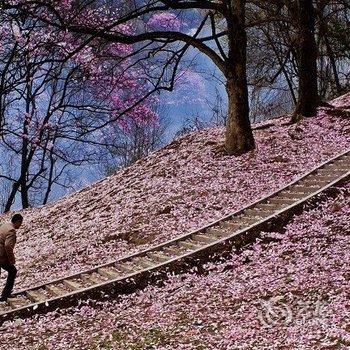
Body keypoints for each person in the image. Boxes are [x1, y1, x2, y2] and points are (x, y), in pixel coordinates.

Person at [0, 214, 23, 302]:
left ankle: (4, 295)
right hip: (1, 255)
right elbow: (8, 246)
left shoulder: (5, 225)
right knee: (13, 271)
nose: (20, 225)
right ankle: (5, 295)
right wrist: (11, 260)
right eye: (20, 223)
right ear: (17, 221)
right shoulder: (11, 230)